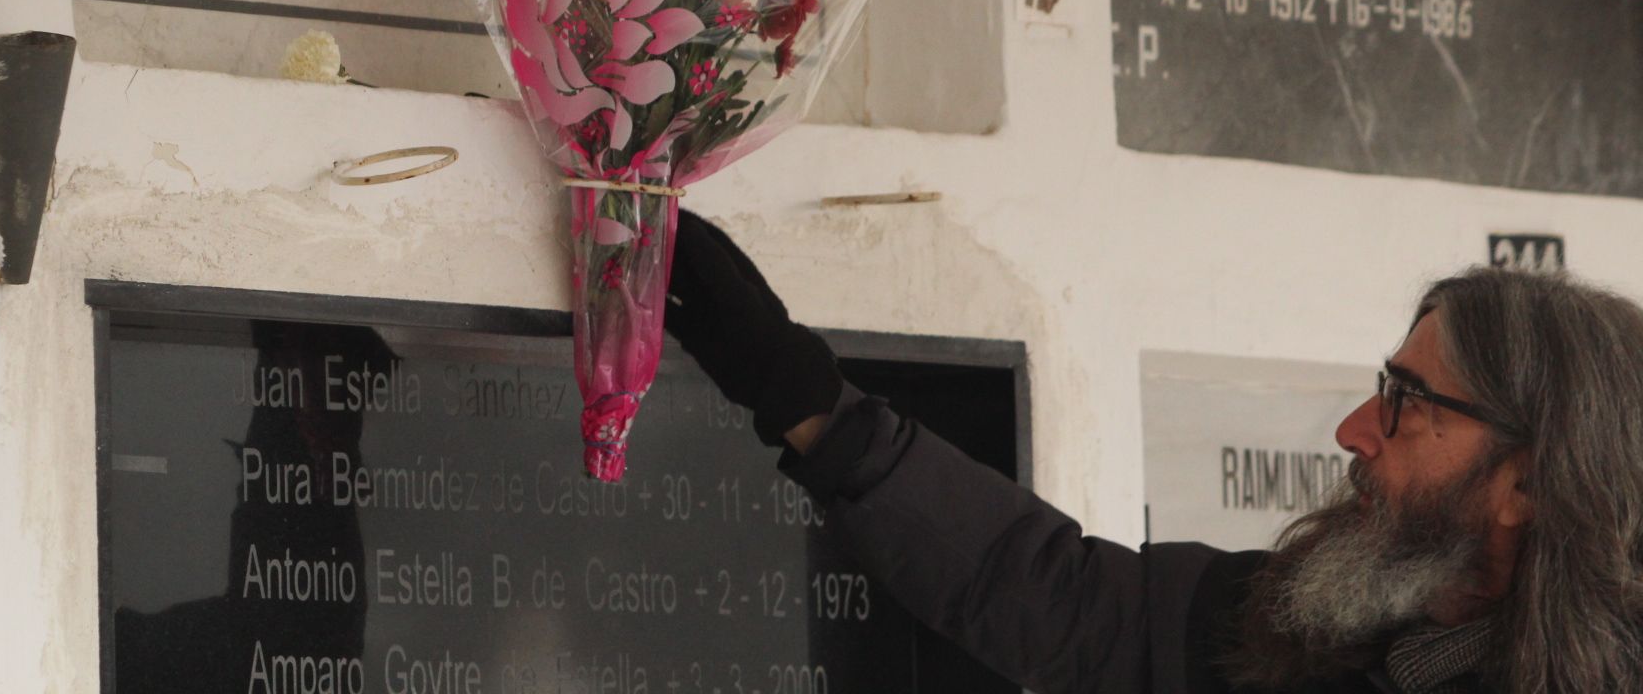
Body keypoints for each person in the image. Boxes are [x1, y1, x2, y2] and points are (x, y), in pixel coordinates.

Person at [666, 210, 1643, 693]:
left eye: (1406, 402)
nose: (1354, 427)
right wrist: (804, 400)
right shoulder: (1314, 638)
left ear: (1532, 480)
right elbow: (1063, 597)